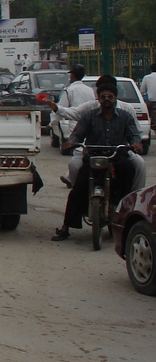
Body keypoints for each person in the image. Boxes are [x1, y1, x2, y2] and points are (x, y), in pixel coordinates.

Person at [51, 75, 145, 241]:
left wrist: (136, 144)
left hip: (117, 157)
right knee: (78, 188)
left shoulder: (125, 115)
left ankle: (125, 211)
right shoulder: (90, 115)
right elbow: (78, 134)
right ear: (98, 98)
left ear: (115, 98)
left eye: (110, 97)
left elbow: (134, 135)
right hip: (94, 157)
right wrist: (71, 142)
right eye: (103, 97)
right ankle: (66, 227)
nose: (106, 100)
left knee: (129, 171)